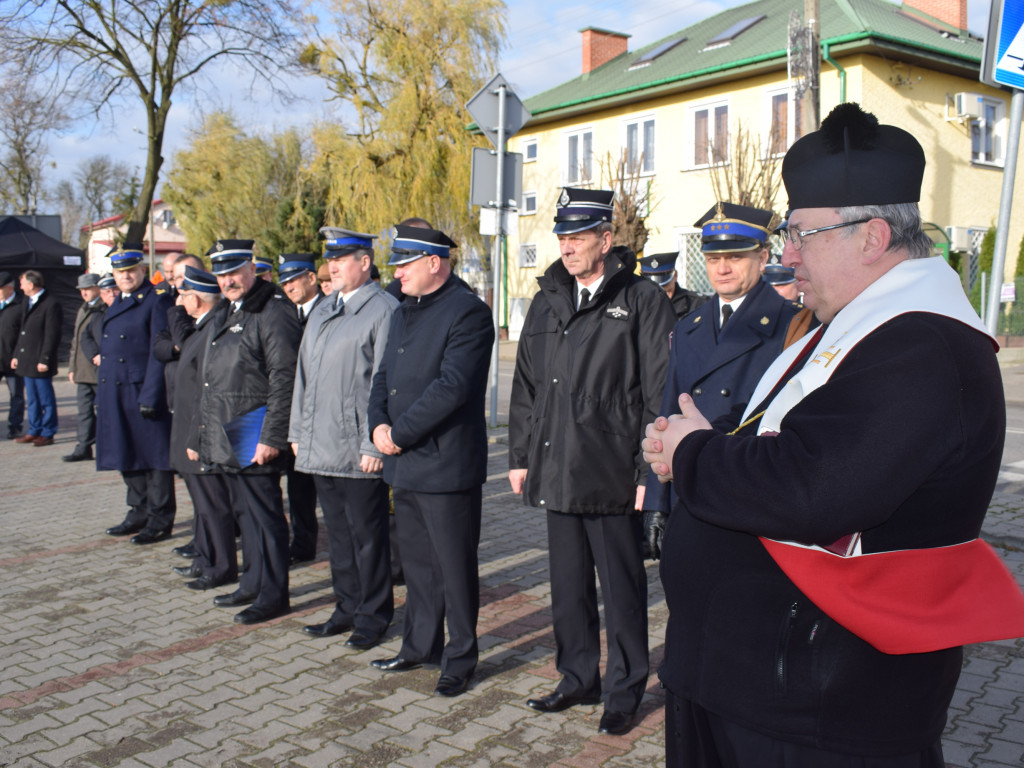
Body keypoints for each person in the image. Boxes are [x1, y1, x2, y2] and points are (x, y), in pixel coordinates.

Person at [641, 102, 1024, 767]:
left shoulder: (923, 347)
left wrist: (694, 452)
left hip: (815, 713)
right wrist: (701, 443)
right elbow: (781, 441)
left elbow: (813, 487)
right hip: (755, 686)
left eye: (800, 235)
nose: (786, 256)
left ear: (871, 236)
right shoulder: (858, 327)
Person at [508, 187, 675, 735]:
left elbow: (657, 394)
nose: (568, 247)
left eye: (578, 237)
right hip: (556, 466)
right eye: (562, 237)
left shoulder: (641, 299)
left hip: (611, 472)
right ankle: (577, 676)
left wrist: (648, 474)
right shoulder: (548, 295)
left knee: (622, 591)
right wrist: (519, 455)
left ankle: (625, 689)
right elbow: (526, 385)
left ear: (606, 239)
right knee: (567, 585)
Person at [642, 202, 815, 559]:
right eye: (712, 258)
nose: (721, 268)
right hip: (688, 487)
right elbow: (668, 411)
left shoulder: (793, 326)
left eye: (735, 257)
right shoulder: (688, 327)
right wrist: (657, 503)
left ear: (763, 257)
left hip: (749, 493)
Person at [367, 224, 493, 698]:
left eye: (404, 263)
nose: (396, 272)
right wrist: (377, 425)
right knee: (418, 564)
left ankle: (460, 657)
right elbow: (384, 377)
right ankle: (419, 644)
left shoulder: (468, 313)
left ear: (433, 262)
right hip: (404, 459)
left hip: (444, 464)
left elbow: (452, 387)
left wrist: (398, 433)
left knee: (453, 568)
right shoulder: (402, 310)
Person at [290, 228, 399, 648]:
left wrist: (374, 443)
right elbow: (303, 376)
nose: (332, 267)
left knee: (368, 537)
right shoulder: (322, 310)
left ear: (365, 262)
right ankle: (346, 607)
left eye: (342, 259)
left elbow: (386, 383)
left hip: (358, 447)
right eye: (329, 260)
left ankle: (373, 616)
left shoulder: (383, 310)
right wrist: (297, 431)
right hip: (321, 444)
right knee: (337, 534)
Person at [198, 239, 300, 624]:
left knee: (267, 518)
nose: (228, 281)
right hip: (230, 428)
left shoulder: (272, 310)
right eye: (221, 275)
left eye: (235, 272)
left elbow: (284, 376)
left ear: (252, 268)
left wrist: (272, 436)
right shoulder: (228, 309)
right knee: (246, 515)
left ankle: (274, 595)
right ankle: (252, 582)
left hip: (254, 428)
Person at [97, 245, 177, 544]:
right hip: (115, 392)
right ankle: (137, 511)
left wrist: (152, 394)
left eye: (131, 270)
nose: (126, 276)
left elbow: (159, 351)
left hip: (141, 390)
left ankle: (159, 519)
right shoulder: (118, 301)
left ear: (143, 270)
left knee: (155, 459)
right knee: (126, 453)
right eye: (120, 272)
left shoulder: (156, 301)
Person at [170, 265, 239, 591]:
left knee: (213, 506)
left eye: (183, 293)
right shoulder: (202, 326)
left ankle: (221, 566)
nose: (179, 298)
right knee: (202, 506)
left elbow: (208, 387)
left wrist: (198, 432)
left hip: (200, 431)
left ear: (196, 298)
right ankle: (204, 558)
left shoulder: (213, 328)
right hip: (189, 428)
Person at [277, 253, 323, 565]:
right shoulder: (284, 314)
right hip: (297, 415)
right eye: (284, 281)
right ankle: (304, 542)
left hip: (324, 414)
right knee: (299, 487)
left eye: (295, 279)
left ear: (311, 278)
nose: (289, 286)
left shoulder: (328, 309)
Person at [11, 270, 63, 447]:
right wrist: (17, 354)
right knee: (32, 399)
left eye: (23, 283)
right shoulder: (27, 301)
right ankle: (34, 429)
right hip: (26, 359)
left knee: (45, 399)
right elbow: (23, 331)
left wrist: (45, 359)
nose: (20, 287)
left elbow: (52, 334)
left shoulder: (50, 304)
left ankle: (48, 431)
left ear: (31, 285)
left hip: (40, 360)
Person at [64, 273, 106, 461]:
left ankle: (105, 448)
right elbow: (76, 340)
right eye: (82, 290)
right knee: (84, 412)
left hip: (97, 370)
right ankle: (83, 446)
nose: (84, 293)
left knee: (103, 411)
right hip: (82, 370)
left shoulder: (103, 308)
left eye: (87, 289)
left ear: (97, 288)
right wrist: (72, 367)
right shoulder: (83, 309)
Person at [639, 253, 709, 318]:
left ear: (675, 276)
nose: (660, 290)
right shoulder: (637, 306)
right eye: (653, 286)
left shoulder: (697, 304)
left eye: (665, 284)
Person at [0, 271, 26, 440]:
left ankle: (14, 426)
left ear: (10, 288)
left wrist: (18, 355)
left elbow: (24, 334)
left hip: (12, 359)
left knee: (16, 395)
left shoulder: (20, 306)